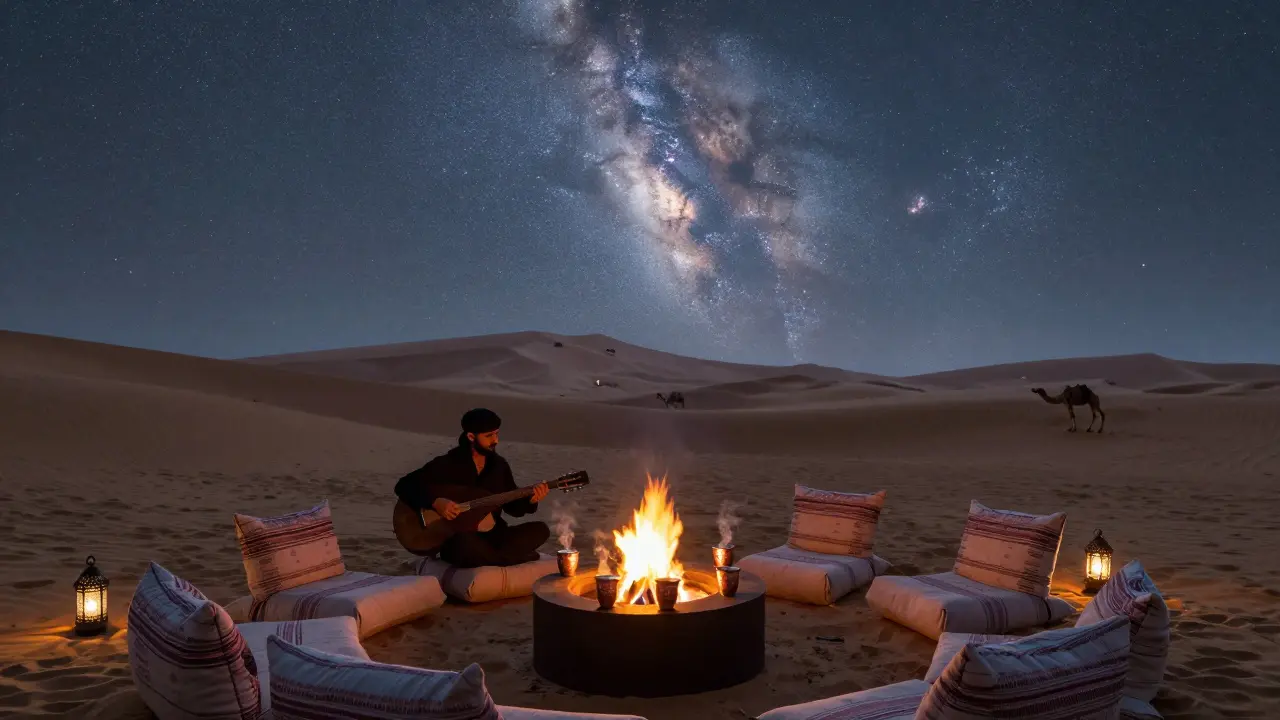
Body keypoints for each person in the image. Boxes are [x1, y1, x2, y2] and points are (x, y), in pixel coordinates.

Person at [394, 408, 550, 568]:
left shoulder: (499, 466)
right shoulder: (448, 463)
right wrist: (435, 502)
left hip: (493, 534)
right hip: (458, 538)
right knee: (464, 545)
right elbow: (404, 485)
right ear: (471, 437)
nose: (495, 440)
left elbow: (513, 508)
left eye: (496, 434)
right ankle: (507, 559)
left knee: (540, 530)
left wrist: (531, 499)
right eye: (488, 436)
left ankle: (494, 557)